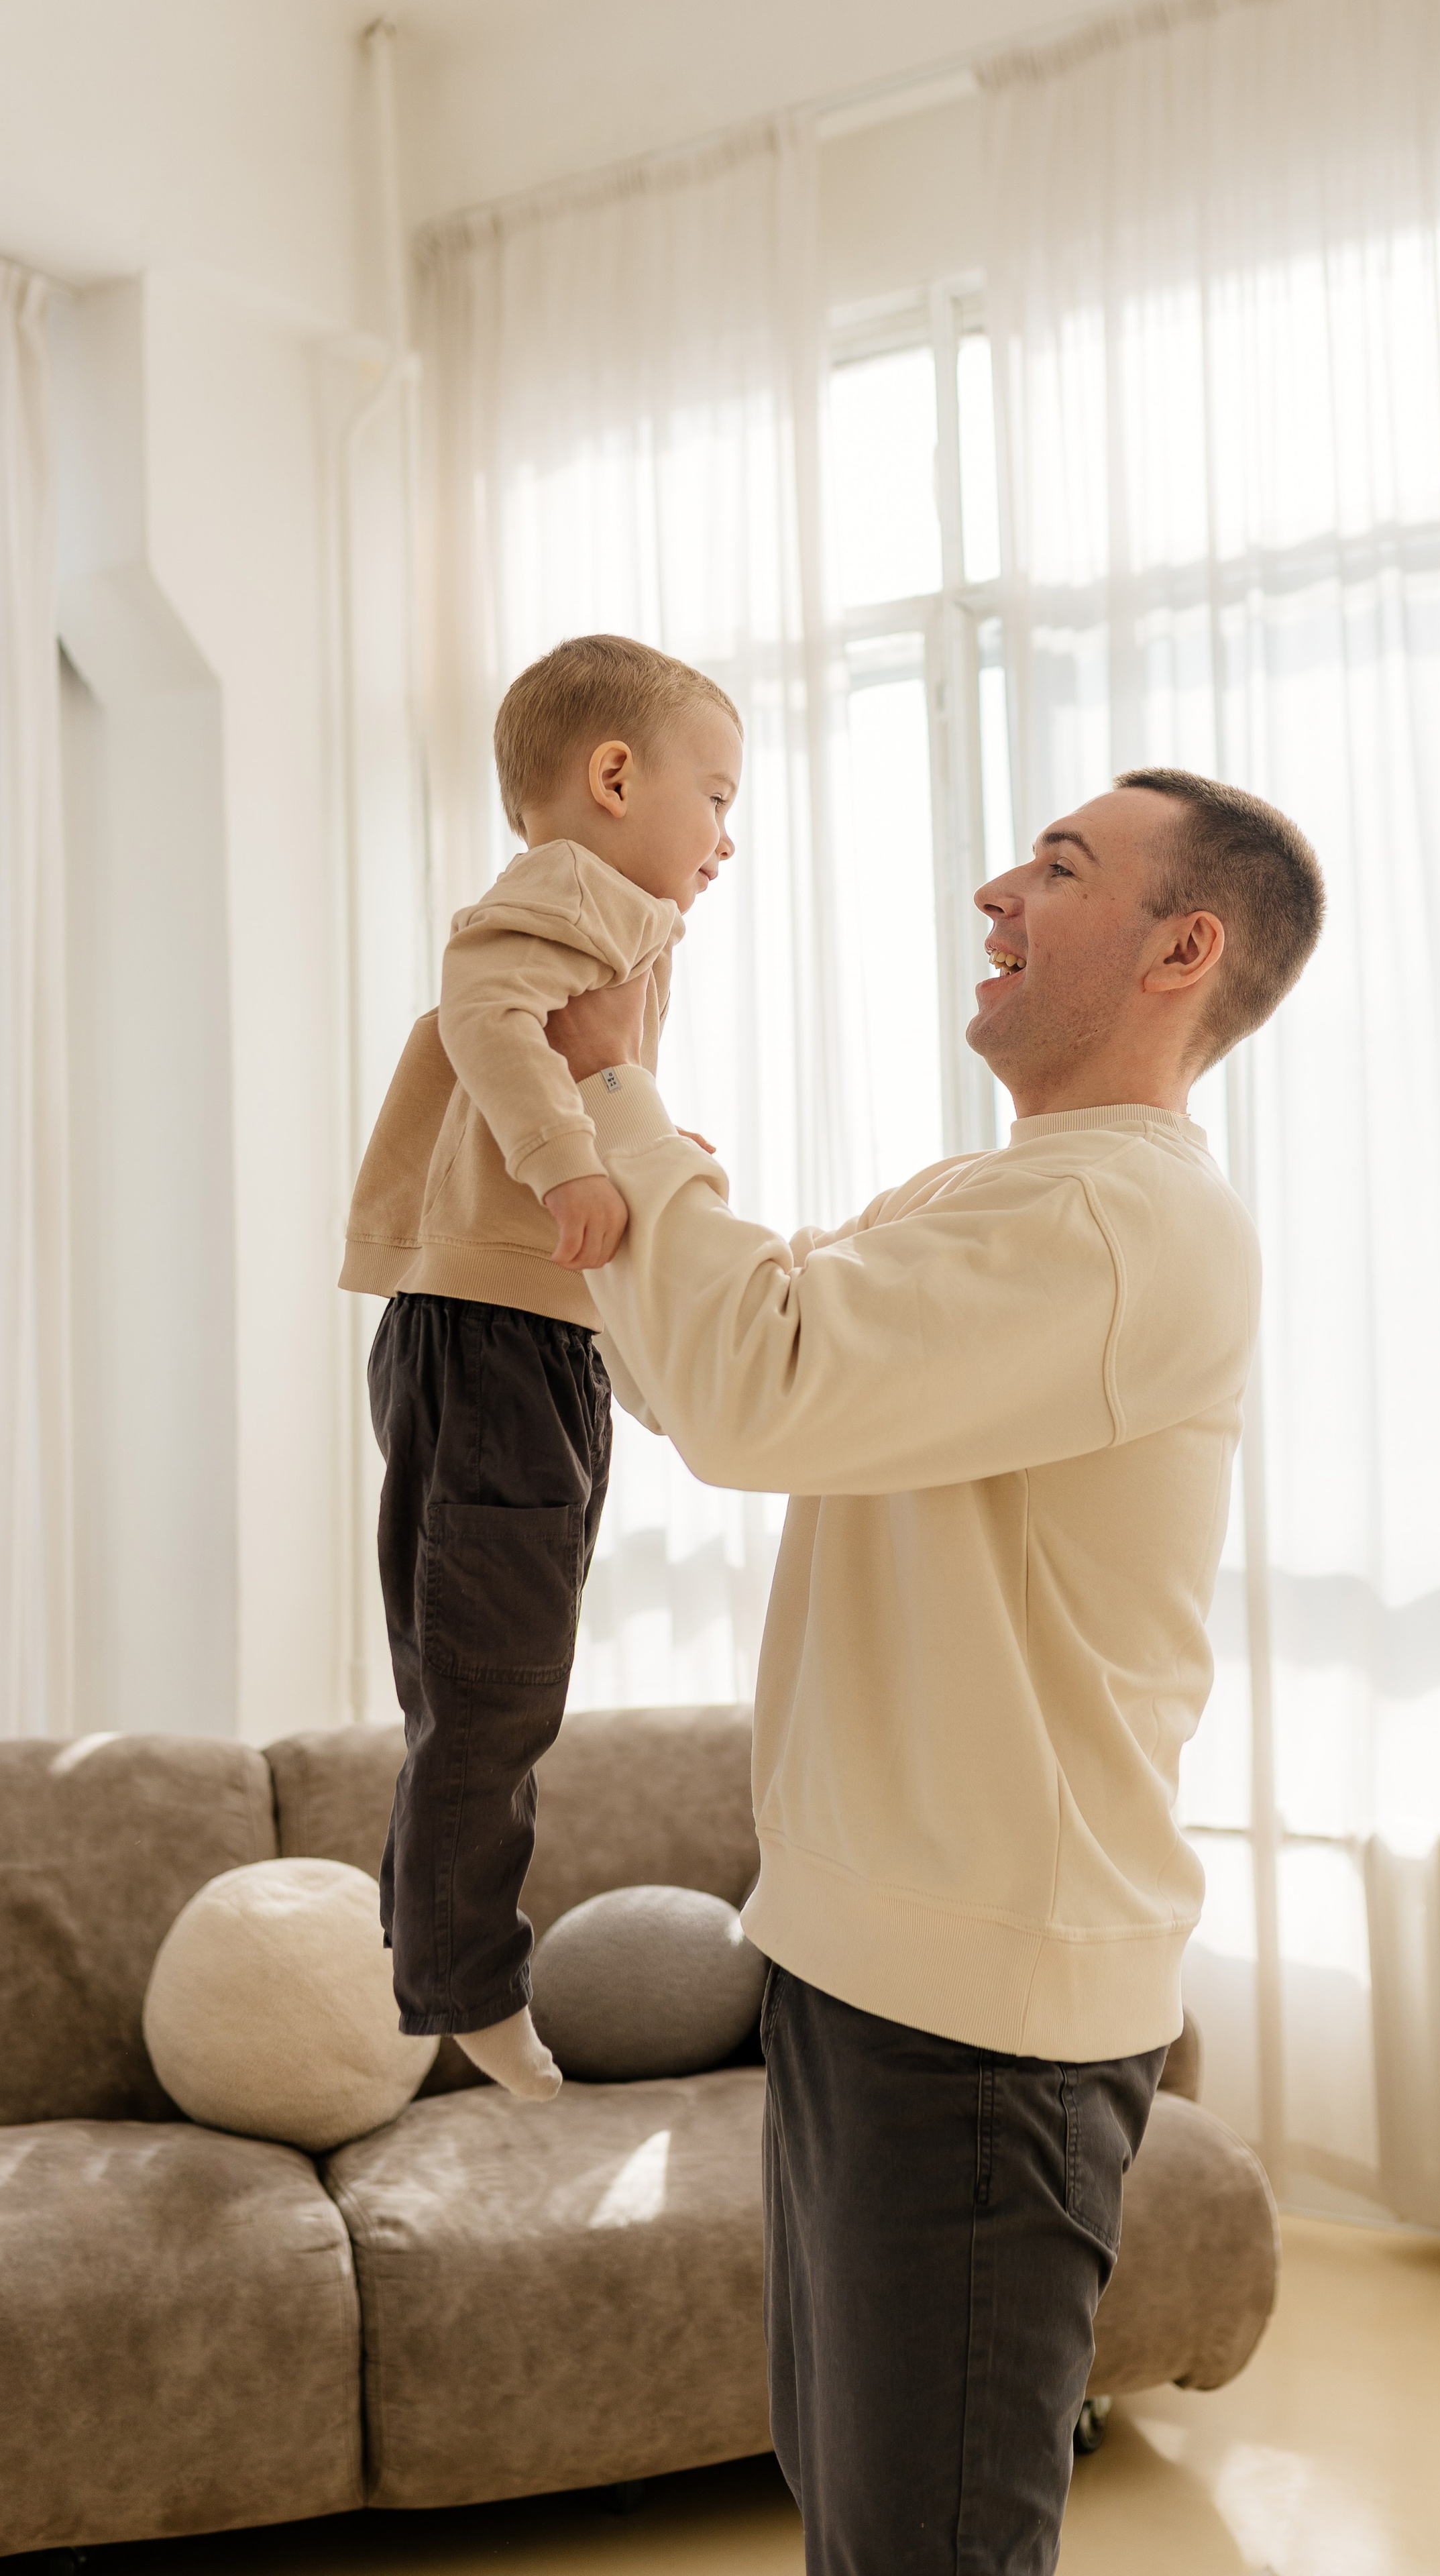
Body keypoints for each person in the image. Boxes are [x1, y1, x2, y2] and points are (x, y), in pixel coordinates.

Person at [541, 769, 1324, 2571]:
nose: (995, 889)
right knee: (860, 2510)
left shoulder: (1127, 1229)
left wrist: (615, 1084)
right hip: (852, 1961)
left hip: (983, 2019)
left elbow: (754, 1389)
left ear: (1181, 949)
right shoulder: (986, 1192)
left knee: (928, 2548)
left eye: (1058, 868)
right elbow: (705, 1369)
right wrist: (582, 1171)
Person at [340, 634, 740, 2100]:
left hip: (522, 1341)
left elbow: (559, 1063)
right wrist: (575, 1163)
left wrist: (637, 1143)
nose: (726, 835)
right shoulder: (575, 889)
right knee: (493, 1684)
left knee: (488, 1677)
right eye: (715, 793)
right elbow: (490, 1019)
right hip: (494, 1344)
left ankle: (423, 1935)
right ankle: (461, 1980)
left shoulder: (616, 919)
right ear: (613, 776)